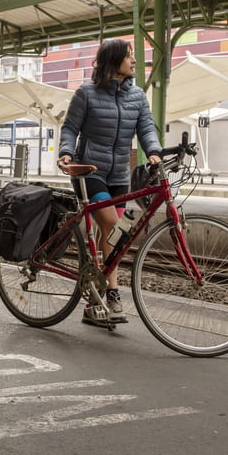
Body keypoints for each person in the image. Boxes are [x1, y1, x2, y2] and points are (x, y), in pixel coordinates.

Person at [59, 39, 162, 327]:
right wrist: (66, 152)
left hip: (119, 176)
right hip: (89, 171)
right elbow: (70, 127)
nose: (133, 61)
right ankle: (113, 293)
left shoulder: (138, 97)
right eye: (129, 56)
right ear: (114, 61)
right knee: (110, 227)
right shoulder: (86, 94)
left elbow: (146, 128)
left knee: (115, 238)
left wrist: (153, 151)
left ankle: (94, 299)